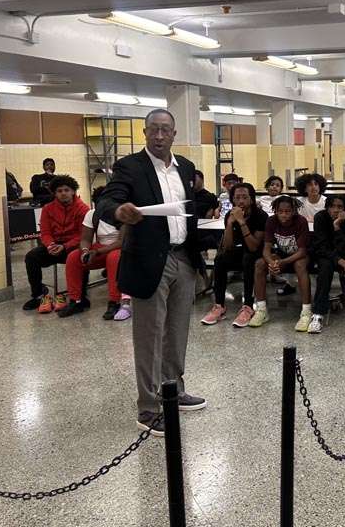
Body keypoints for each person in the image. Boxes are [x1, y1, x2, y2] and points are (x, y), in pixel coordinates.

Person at [95, 109, 206, 437]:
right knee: (149, 336)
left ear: (174, 134)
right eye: (153, 130)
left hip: (183, 258)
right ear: (144, 132)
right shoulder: (130, 167)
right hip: (149, 261)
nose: (159, 136)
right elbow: (107, 200)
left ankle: (173, 389)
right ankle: (148, 406)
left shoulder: (186, 167)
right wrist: (118, 211)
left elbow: (189, 210)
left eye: (165, 130)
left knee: (177, 331)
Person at [200, 182, 267, 328]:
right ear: (232, 200)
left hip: (258, 255)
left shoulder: (261, 216)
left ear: (252, 199)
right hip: (239, 252)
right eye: (237, 198)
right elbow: (227, 246)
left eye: (245, 197)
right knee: (220, 258)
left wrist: (242, 222)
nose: (241, 201)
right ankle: (219, 305)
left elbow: (253, 247)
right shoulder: (229, 216)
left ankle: (248, 306)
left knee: (248, 258)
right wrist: (230, 224)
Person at [22, 175, 89, 313]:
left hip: (73, 246)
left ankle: (80, 296)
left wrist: (65, 246)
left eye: (66, 190)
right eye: (59, 191)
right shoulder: (47, 209)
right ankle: (38, 295)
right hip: (53, 245)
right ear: (55, 193)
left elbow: (83, 236)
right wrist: (50, 245)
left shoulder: (83, 209)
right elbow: (45, 232)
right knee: (31, 257)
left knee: (81, 257)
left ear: (73, 191)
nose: (63, 193)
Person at [59, 186, 124, 320]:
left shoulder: (122, 213)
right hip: (101, 248)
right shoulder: (92, 214)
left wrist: (97, 251)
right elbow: (85, 239)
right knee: (73, 257)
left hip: (121, 249)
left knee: (113, 258)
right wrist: (85, 251)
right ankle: (76, 301)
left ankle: (115, 302)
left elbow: (122, 242)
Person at [249, 195, 312, 330]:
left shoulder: (301, 221)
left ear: (294, 211)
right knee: (260, 264)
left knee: (300, 265)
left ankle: (306, 312)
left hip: (299, 255)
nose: (284, 215)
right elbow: (266, 249)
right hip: (282, 254)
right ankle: (262, 310)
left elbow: (302, 252)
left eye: (287, 211)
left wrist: (282, 262)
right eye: (280, 211)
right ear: (275, 211)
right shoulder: (271, 221)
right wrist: (272, 263)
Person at [309, 195, 345, 337]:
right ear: (327, 208)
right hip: (326, 256)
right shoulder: (320, 218)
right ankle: (318, 313)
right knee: (325, 268)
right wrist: (342, 262)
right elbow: (320, 247)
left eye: (340, 207)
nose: (335, 210)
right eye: (332, 206)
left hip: (344, 256)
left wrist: (337, 227)